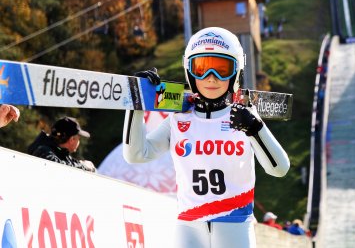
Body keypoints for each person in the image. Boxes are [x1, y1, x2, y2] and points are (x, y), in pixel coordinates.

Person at [123, 27, 290, 248]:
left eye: (222, 68)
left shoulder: (244, 116)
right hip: (189, 224)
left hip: (235, 223)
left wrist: (254, 128)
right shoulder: (178, 118)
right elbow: (136, 155)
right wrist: (136, 102)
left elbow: (279, 169)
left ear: (236, 72)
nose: (211, 78)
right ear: (189, 72)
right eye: (201, 68)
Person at [28, 116, 96, 172]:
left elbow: (68, 164)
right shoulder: (43, 151)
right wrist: (83, 166)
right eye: (79, 139)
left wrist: (83, 165)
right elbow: (59, 168)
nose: (79, 142)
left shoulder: (60, 153)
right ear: (72, 139)